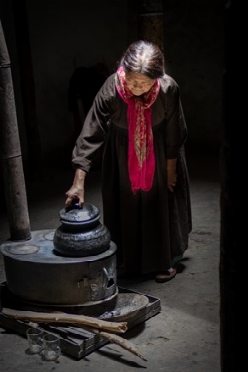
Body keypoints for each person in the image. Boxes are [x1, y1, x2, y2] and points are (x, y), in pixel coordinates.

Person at [65, 40, 192, 283]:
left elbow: (176, 131)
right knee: (126, 206)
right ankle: (127, 262)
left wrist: (171, 169)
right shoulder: (112, 87)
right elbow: (91, 132)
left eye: (144, 83)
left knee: (160, 204)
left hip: (162, 153)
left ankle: (164, 261)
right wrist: (78, 181)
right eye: (132, 80)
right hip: (123, 155)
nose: (136, 87)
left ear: (157, 78)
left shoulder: (168, 89)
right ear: (123, 70)